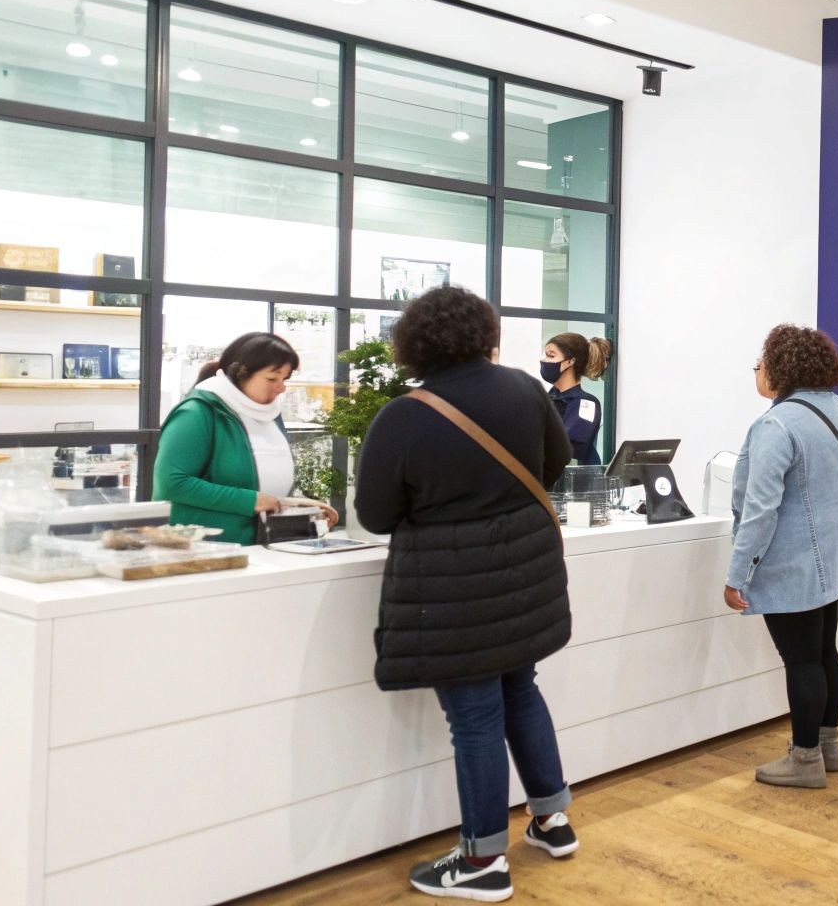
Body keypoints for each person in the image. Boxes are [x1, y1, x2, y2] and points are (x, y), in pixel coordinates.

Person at [357, 287, 577, 902]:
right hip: (524, 574)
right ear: (485, 331)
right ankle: (552, 820)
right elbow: (554, 464)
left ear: (414, 342)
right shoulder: (524, 390)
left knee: (475, 717)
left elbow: (375, 515)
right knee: (520, 690)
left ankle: (482, 860)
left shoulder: (405, 415)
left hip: (451, 592)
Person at [723, 324, 838, 790]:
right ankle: (827, 747)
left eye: (760, 364)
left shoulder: (775, 424)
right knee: (825, 652)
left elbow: (759, 511)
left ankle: (804, 760)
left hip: (794, 560)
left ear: (781, 368)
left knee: (801, 659)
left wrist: (737, 574)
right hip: (834, 553)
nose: (757, 373)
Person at [152, 332, 336, 545]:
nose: (281, 387)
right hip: (207, 549)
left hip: (260, 547)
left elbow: (250, 483)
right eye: (272, 378)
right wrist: (252, 501)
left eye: (285, 378)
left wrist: (287, 504)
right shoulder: (197, 412)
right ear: (240, 373)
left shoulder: (268, 414)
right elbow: (172, 483)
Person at [541, 333, 612, 466]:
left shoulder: (587, 404)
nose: (544, 361)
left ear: (570, 361)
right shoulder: (546, 398)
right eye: (545, 355)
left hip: (576, 482)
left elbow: (567, 448)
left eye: (551, 355)